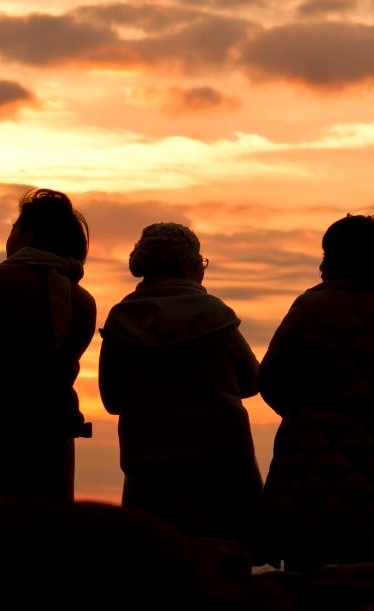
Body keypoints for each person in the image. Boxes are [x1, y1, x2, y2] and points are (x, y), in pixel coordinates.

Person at [257, 214, 374, 570]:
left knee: (305, 589)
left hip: (307, 479)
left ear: (335, 260)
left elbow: (269, 381)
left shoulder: (308, 309)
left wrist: (305, 416)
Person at [98, 223, 261, 542]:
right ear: (189, 265)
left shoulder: (121, 320)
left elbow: (112, 399)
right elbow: (254, 381)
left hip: (148, 469)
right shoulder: (216, 315)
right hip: (222, 467)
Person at [0, 189, 96, 500]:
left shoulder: (5, 280)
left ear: (27, 235)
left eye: (14, 227)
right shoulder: (83, 301)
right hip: (53, 437)